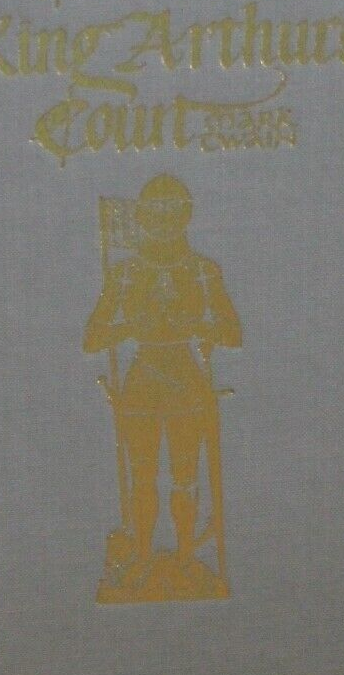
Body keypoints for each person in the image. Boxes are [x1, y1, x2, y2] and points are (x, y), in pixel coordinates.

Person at [84, 174, 241, 600]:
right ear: (141, 217)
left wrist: (196, 325)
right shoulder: (125, 275)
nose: (165, 222)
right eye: (156, 213)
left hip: (186, 381)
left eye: (173, 212)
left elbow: (232, 332)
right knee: (142, 477)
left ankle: (187, 557)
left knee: (186, 477)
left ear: (186, 215)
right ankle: (141, 557)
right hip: (142, 382)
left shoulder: (203, 271)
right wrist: (131, 326)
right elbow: (93, 338)